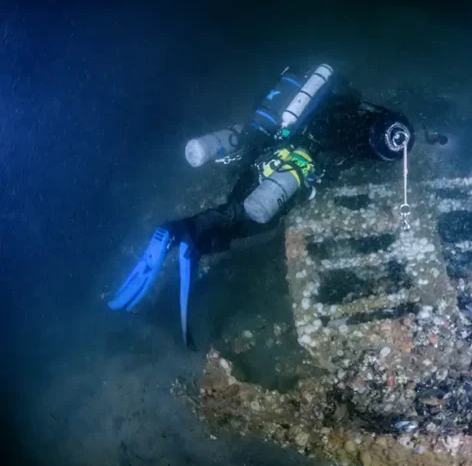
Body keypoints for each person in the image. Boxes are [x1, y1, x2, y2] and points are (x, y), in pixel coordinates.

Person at [107, 64, 414, 347]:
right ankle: (188, 232)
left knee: (237, 207)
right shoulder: (355, 135)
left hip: (262, 143)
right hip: (286, 160)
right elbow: (321, 155)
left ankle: (191, 238)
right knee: (257, 221)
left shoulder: (338, 100)